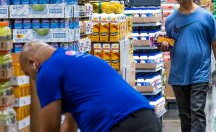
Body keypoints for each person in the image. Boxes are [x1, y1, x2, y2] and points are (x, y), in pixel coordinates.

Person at [19, 41, 160, 132]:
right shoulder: (77, 61)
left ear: (33, 64)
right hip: (147, 118)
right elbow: (69, 125)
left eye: (28, 74)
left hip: (119, 125)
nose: (32, 79)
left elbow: (50, 129)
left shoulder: (47, 71)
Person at [159, 0, 216, 132]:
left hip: (200, 73)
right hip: (178, 74)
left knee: (197, 112)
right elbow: (169, 43)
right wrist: (163, 46)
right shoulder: (170, 20)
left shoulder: (206, 17)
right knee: (184, 115)